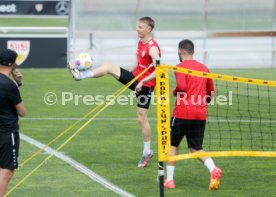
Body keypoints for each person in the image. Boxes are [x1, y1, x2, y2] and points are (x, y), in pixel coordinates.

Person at [68, 16, 161, 168]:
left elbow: (159, 70)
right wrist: (129, 72)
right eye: (137, 27)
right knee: (110, 67)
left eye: (140, 27)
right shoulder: (140, 43)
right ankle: (81, 75)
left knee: (141, 119)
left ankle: (147, 152)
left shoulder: (152, 47)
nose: (137, 29)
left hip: (145, 86)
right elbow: (140, 64)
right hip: (136, 79)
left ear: (148, 29)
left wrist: (143, 82)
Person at [164, 39, 222, 190]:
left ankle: (169, 180)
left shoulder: (180, 67)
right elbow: (211, 92)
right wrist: (203, 103)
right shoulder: (204, 68)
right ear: (193, 51)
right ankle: (213, 169)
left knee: (172, 145)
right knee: (196, 148)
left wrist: (175, 91)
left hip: (182, 112)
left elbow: (182, 86)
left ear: (179, 51)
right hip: (200, 114)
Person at [0, 49, 25, 196]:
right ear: (13, 64)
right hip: (6, 133)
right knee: (6, 171)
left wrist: (17, 84)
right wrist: (17, 85)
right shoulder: (9, 85)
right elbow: (22, 111)